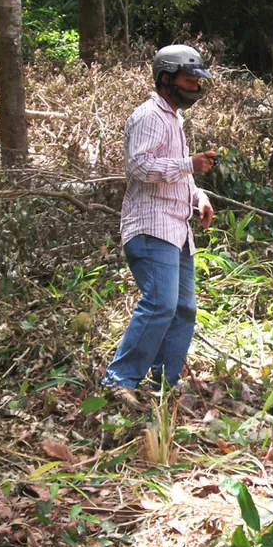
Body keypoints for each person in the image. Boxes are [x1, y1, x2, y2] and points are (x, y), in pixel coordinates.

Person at [101, 44, 218, 396]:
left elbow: (178, 175)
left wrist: (198, 196)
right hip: (151, 226)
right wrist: (189, 164)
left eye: (197, 81)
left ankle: (165, 382)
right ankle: (119, 379)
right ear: (166, 79)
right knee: (160, 303)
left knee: (183, 309)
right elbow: (139, 166)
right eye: (188, 80)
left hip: (177, 228)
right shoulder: (149, 116)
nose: (195, 87)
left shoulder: (173, 119)